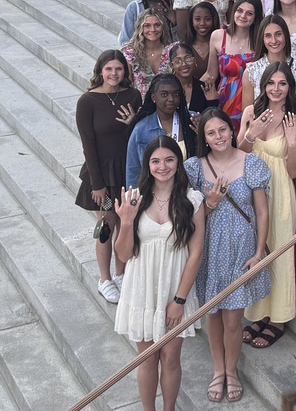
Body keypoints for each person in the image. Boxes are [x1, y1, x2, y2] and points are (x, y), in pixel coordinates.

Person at [184, 109, 271, 403]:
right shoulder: (194, 168)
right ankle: (217, 370)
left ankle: (231, 371)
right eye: (211, 132)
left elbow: (261, 212)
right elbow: (189, 215)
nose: (218, 136)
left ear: (232, 131)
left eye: (222, 129)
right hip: (208, 251)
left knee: (233, 320)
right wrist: (209, 203)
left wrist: (259, 253)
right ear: (204, 138)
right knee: (214, 314)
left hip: (240, 251)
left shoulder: (251, 163)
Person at [115, 136, 205, 411]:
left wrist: (179, 301)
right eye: (155, 161)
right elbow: (123, 254)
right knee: (147, 358)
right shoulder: (134, 198)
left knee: (170, 357)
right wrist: (127, 221)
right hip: (142, 286)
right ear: (147, 164)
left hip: (175, 286)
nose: (162, 166)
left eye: (169, 160)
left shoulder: (193, 200)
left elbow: (196, 254)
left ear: (178, 163)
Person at [237, 63, 296, 347]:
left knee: (278, 252)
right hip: (251, 193)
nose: (276, 89)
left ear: (290, 87)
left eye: (282, 84)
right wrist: (250, 134)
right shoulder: (250, 113)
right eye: (271, 83)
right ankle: (260, 312)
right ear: (263, 84)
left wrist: (291, 145)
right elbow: (236, 157)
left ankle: (278, 317)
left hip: (279, 192)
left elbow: (293, 171)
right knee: (256, 250)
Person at [76, 49, 142, 303]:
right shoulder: (88, 101)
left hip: (127, 171)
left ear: (125, 71)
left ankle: (121, 273)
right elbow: (88, 144)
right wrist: (97, 183)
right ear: (100, 71)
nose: (114, 74)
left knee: (126, 224)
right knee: (107, 224)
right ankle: (104, 279)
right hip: (102, 175)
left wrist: (133, 123)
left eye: (119, 69)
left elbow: (135, 137)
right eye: (109, 69)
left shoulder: (132, 95)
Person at [125, 73, 198, 189]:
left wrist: (202, 135)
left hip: (188, 192)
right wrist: (134, 199)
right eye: (164, 94)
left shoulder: (192, 121)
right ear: (154, 97)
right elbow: (133, 170)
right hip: (154, 195)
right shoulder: (141, 129)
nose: (171, 99)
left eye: (176, 94)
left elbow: (207, 158)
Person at [202, 0, 262, 127]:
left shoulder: (260, 39)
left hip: (253, 99)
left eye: (249, 13)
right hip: (225, 98)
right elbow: (211, 73)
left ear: (256, 17)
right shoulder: (218, 36)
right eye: (239, 10)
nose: (243, 16)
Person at [241, 15, 296, 106]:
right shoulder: (251, 71)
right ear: (262, 39)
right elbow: (247, 114)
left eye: (278, 34)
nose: (274, 41)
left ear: (285, 35)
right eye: (268, 36)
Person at [121, 9, 178, 98]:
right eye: (147, 26)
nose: (153, 29)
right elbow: (126, 84)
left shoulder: (172, 50)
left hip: (167, 104)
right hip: (139, 105)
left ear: (163, 27)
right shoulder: (130, 52)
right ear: (140, 28)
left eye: (157, 25)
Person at [169, 42, 218, 117]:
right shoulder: (167, 88)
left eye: (188, 59)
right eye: (178, 61)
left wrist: (212, 101)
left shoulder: (204, 88)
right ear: (172, 65)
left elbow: (212, 119)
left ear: (194, 60)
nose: (184, 64)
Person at [185, 1, 220, 83]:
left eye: (207, 19)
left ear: (213, 20)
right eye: (197, 19)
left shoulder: (221, 46)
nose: (202, 23)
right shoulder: (185, 47)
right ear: (192, 22)